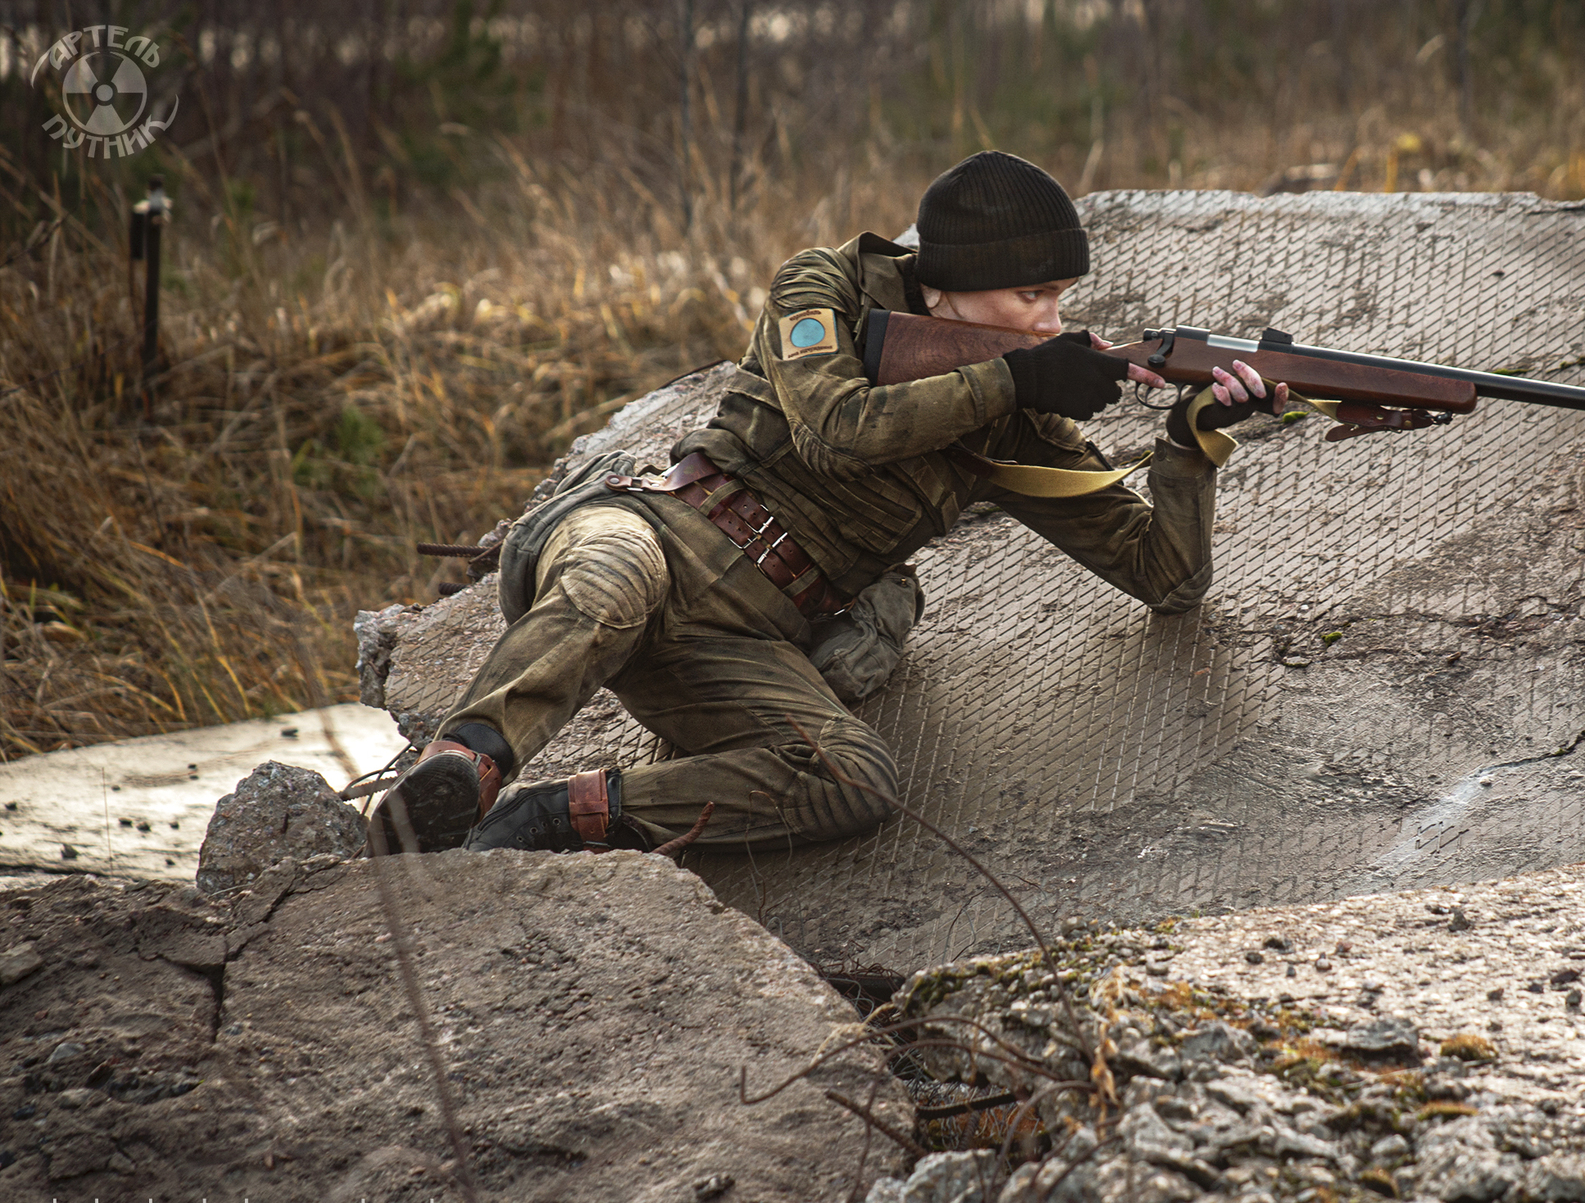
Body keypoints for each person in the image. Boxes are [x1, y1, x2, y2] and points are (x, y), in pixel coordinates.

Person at [368, 150, 1288, 857]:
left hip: (749, 639)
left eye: (1061, 298)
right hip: (659, 530)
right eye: (1031, 294)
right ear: (952, 278)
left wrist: (1190, 440)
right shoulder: (830, 287)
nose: (1052, 321)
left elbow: (1163, 578)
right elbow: (836, 429)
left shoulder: (1024, 413)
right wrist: (1012, 382)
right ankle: (468, 765)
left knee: (858, 784)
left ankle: (554, 815)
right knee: (608, 583)